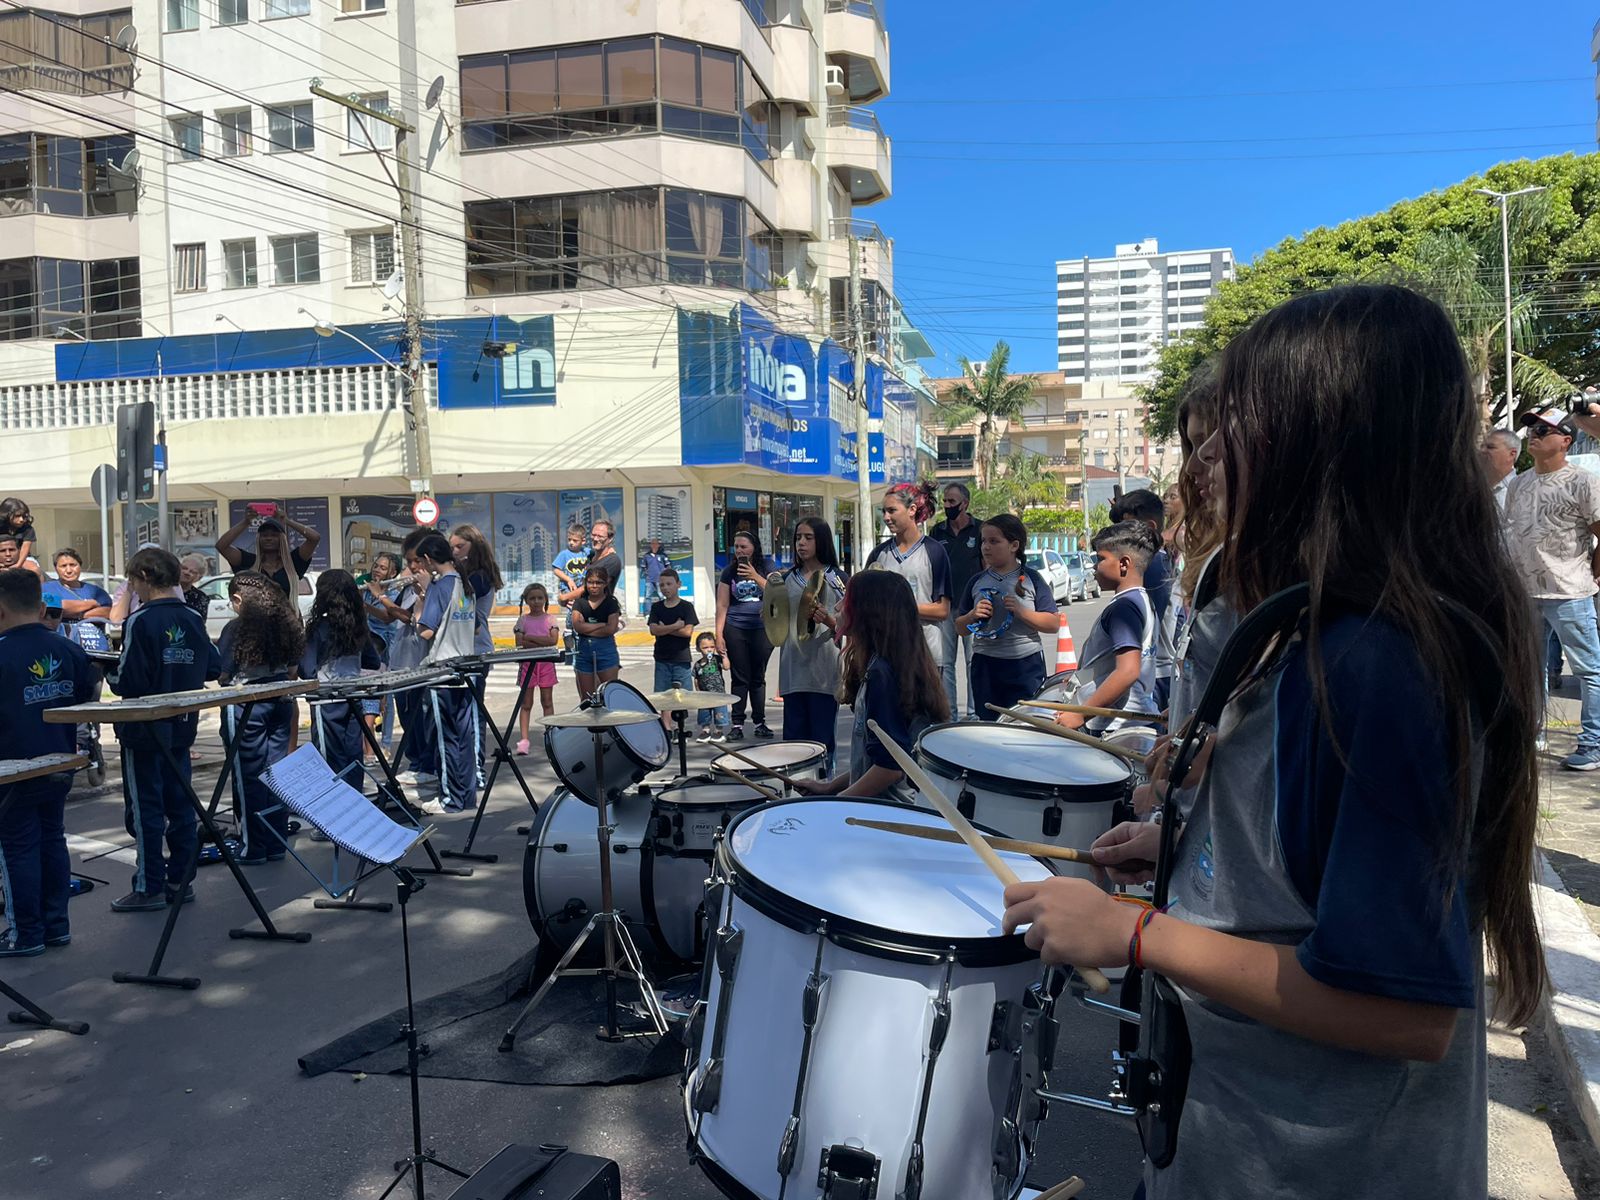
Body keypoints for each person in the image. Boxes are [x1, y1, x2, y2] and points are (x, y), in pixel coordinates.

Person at [1002, 284, 1545, 1200]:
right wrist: (1186, 848)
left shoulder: (1378, 664)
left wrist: (1135, 932)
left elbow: (1404, 1013)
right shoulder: (1307, 630)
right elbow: (1296, 867)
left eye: (1240, 420)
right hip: (1231, 1139)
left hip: (1328, 1169)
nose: (1207, 453)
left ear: (1326, 444)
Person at [107, 548, 221, 909]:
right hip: (182, 723)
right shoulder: (192, 616)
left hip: (144, 726)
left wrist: (107, 672)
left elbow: (128, 680)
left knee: (146, 808)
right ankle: (181, 880)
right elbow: (213, 666)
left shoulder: (140, 620)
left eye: (132, 581)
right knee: (180, 804)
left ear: (143, 578)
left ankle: (149, 885)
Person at [0, 569, 96, 954]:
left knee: (17, 846)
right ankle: (56, 925)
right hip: (59, 760)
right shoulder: (66, 648)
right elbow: (86, 693)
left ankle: (25, 932)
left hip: (11, 768)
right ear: (41, 607)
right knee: (52, 838)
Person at [1503, 405, 1600, 769]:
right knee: (1532, 670)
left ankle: (1592, 744)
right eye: (1532, 429)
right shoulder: (1519, 483)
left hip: (1569, 594)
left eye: (1544, 430)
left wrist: (1593, 573)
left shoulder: (1583, 482)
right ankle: (1535, 733)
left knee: (1589, 670)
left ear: (1566, 441)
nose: (1534, 435)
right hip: (1525, 594)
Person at [798, 571, 949, 799]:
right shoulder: (886, 665)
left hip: (887, 812)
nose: (837, 607)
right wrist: (830, 787)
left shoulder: (881, 674)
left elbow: (890, 768)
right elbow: (873, 760)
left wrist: (837, 802)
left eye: (846, 599)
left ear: (869, 612)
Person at [217, 571, 304, 864]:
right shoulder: (286, 626)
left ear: (238, 599)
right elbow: (292, 669)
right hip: (281, 698)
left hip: (247, 704)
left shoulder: (236, 628)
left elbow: (223, 672)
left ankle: (252, 847)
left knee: (249, 777)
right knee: (276, 774)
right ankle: (276, 843)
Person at [1055, 521, 1159, 733]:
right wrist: (1085, 676)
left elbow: (1127, 671)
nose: (1094, 567)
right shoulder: (1141, 599)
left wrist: (1081, 713)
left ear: (1124, 564)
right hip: (1134, 719)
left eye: (1100, 559)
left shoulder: (1124, 608)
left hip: (1115, 725)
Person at [954, 513, 1058, 719]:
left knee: (1025, 723)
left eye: (994, 541)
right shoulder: (976, 581)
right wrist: (972, 616)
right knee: (990, 724)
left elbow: (1053, 623)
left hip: (1025, 664)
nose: (986, 547)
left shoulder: (1032, 579)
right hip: (985, 665)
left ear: (1014, 545)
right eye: (983, 541)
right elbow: (960, 628)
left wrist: (1022, 612)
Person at [412, 533, 479, 814]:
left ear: (429, 559)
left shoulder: (440, 588)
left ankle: (450, 798)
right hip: (466, 669)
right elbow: (475, 626)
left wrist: (421, 600)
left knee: (445, 740)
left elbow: (425, 630)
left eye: (421, 561)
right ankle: (466, 796)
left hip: (442, 673)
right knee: (464, 738)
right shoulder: (465, 584)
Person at [865, 482, 953, 684]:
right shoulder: (879, 554)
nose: (886, 517)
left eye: (892, 510)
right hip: (885, 653)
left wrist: (901, 607)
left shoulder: (935, 552)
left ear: (912, 509)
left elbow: (942, 610)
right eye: (883, 511)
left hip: (925, 655)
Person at [300, 570, 381, 786]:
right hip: (353, 694)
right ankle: (354, 796)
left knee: (328, 758)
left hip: (326, 699)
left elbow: (307, 670)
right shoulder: (358, 626)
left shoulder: (318, 628)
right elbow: (373, 661)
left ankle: (333, 800)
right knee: (353, 753)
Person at [778, 517, 847, 769]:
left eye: (808, 537)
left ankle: (825, 787)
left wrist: (828, 620)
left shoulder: (838, 579)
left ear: (822, 540)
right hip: (792, 672)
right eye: (798, 537)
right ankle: (795, 789)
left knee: (821, 744)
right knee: (793, 747)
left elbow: (851, 627)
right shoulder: (787, 579)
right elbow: (778, 623)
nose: (801, 543)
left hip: (824, 675)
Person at [1110, 487, 1174, 710]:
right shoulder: (1157, 560)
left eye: (1127, 527)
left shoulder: (1152, 565)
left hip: (1154, 672)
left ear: (1151, 527)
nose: (1119, 536)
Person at [715, 530, 775, 741]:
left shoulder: (767, 566)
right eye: (737, 547)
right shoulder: (729, 572)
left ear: (754, 548)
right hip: (735, 627)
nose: (739, 550)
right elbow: (722, 604)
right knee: (740, 678)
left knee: (758, 677)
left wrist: (755, 576)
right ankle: (737, 724)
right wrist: (719, 634)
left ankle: (759, 722)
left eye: (744, 546)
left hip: (762, 628)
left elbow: (777, 592)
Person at [929, 482, 982, 719]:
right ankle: (950, 716)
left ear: (965, 503)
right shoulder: (936, 532)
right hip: (946, 607)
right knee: (946, 664)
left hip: (973, 608)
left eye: (952, 501)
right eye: (945, 501)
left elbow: (986, 567)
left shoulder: (980, 530)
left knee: (973, 662)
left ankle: (973, 714)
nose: (947, 505)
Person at [361, 552, 408, 753]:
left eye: (383, 568)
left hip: (387, 646)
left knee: (387, 697)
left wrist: (368, 603)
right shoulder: (366, 590)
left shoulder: (395, 592)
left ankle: (386, 744)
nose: (377, 570)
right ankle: (367, 744)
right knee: (369, 693)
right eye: (376, 566)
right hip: (369, 645)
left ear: (393, 572)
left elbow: (387, 617)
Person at [216, 510, 320, 597]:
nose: (268, 538)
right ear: (258, 539)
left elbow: (314, 538)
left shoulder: (293, 562)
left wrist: (287, 521)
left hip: (288, 615)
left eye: (274, 535)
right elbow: (221, 546)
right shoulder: (249, 562)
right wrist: (246, 522)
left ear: (282, 539)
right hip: (256, 615)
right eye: (264, 535)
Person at [648, 568, 698, 730]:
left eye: (669, 584)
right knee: (664, 697)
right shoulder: (657, 607)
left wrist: (664, 628)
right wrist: (676, 625)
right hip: (662, 658)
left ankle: (680, 727)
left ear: (678, 584)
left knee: (682, 696)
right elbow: (654, 630)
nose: (665, 588)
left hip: (681, 658)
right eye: (662, 585)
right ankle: (667, 728)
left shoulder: (686, 607)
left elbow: (687, 632)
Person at [512, 583, 558, 755]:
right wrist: (539, 641)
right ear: (526, 600)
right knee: (526, 703)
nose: (536, 601)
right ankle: (524, 740)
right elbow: (519, 642)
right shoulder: (523, 620)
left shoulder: (550, 619)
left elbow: (552, 641)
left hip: (546, 664)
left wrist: (530, 637)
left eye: (540, 598)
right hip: (527, 665)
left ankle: (551, 736)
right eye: (532, 598)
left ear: (545, 599)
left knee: (547, 701)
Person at [572, 564, 622, 699]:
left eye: (598, 583)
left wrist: (586, 628)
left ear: (605, 584)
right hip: (584, 651)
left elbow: (611, 629)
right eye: (590, 582)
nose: (594, 586)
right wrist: (601, 625)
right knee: (587, 699)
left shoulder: (611, 602)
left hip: (606, 651)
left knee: (609, 696)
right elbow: (577, 626)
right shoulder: (580, 602)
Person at [49, 548, 111, 637]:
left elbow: (107, 612)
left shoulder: (97, 592)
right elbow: (57, 608)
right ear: (56, 569)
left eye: (73, 565)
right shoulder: (47, 589)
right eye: (63, 566)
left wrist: (77, 614)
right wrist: (91, 604)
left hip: (95, 644)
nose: (69, 570)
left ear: (80, 566)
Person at [692, 631, 731, 742]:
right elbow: (696, 678)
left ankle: (718, 731)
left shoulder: (716, 659)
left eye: (712, 647)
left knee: (719, 712)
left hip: (718, 693)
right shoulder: (698, 664)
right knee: (704, 713)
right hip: (705, 695)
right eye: (705, 647)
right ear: (698, 649)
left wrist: (724, 656)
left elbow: (726, 667)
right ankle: (705, 730)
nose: (709, 650)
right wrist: (698, 691)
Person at [1481, 427, 1520, 512]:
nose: (1482, 450)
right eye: (1482, 446)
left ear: (1512, 454)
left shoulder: (1521, 493)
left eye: (1490, 447)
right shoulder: (1471, 487)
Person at [552, 524, 589, 611]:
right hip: (568, 589)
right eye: (569, 539)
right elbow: (556, 570)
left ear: (583, 541)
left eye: (575, 540)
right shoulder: (564, 554)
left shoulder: (587, 552)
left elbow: (599, 555)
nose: (571, 542)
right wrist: (569, 580)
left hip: (582, 589)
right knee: (573, 610)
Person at [0, 497, 36, 565]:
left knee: (34, 568)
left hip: (21, 559)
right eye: (17, 516)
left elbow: (25, 548)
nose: (21, 519)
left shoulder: (28, 529)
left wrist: (18, 565)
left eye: (24, 516)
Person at [177, 554, 209, 620]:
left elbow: (199, 622)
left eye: (193, 572)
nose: (186, 572)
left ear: (199, 577)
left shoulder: (201, 597)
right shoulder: (164, 589)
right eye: (184, 568)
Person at [641, 537, 670, 610]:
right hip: (650, 580)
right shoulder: (646, 556)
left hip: (660, 580)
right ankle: (648, 613)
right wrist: (647, 573)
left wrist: (665, 576)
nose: (654, 545)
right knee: (648, 597)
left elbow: (668, 566)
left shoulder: (663, 555)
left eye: (656, 543)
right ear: (650, 545)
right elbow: (643, 567)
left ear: (658, 545)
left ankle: (664, 611)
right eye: (652, 543)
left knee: (662, 596)